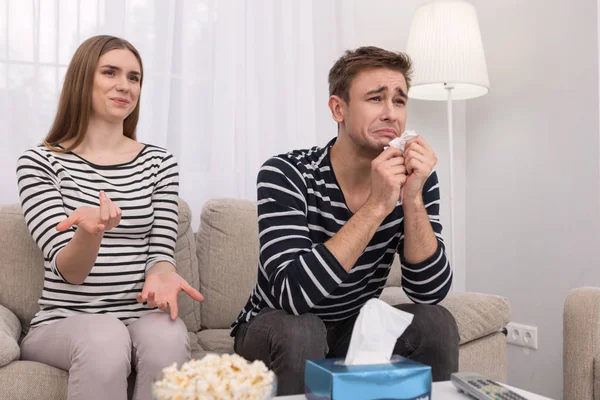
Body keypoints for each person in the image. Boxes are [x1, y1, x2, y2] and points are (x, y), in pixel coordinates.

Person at [231, 46, 459, 395]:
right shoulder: (287, 173)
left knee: (435, 323)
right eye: (375, 99)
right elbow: (294, 295)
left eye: (399, 101)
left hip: (352, 328)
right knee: (302, 329)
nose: (390, 113)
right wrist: (378, 205)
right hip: (273, 326)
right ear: (338, 108)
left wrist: (412, 198)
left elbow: (429, 292)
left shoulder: (413, 179)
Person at [16, 35, 204, 400]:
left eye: (134, 78)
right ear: (83, 79)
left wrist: (163, 274)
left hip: (138, 314)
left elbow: (160, 251)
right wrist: (90, 233)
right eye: (110, 72)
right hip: (64, 322)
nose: (125, 85)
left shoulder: (159, 163)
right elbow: (71, 272)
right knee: (105, 334)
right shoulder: (40, 163)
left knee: (168, 333)